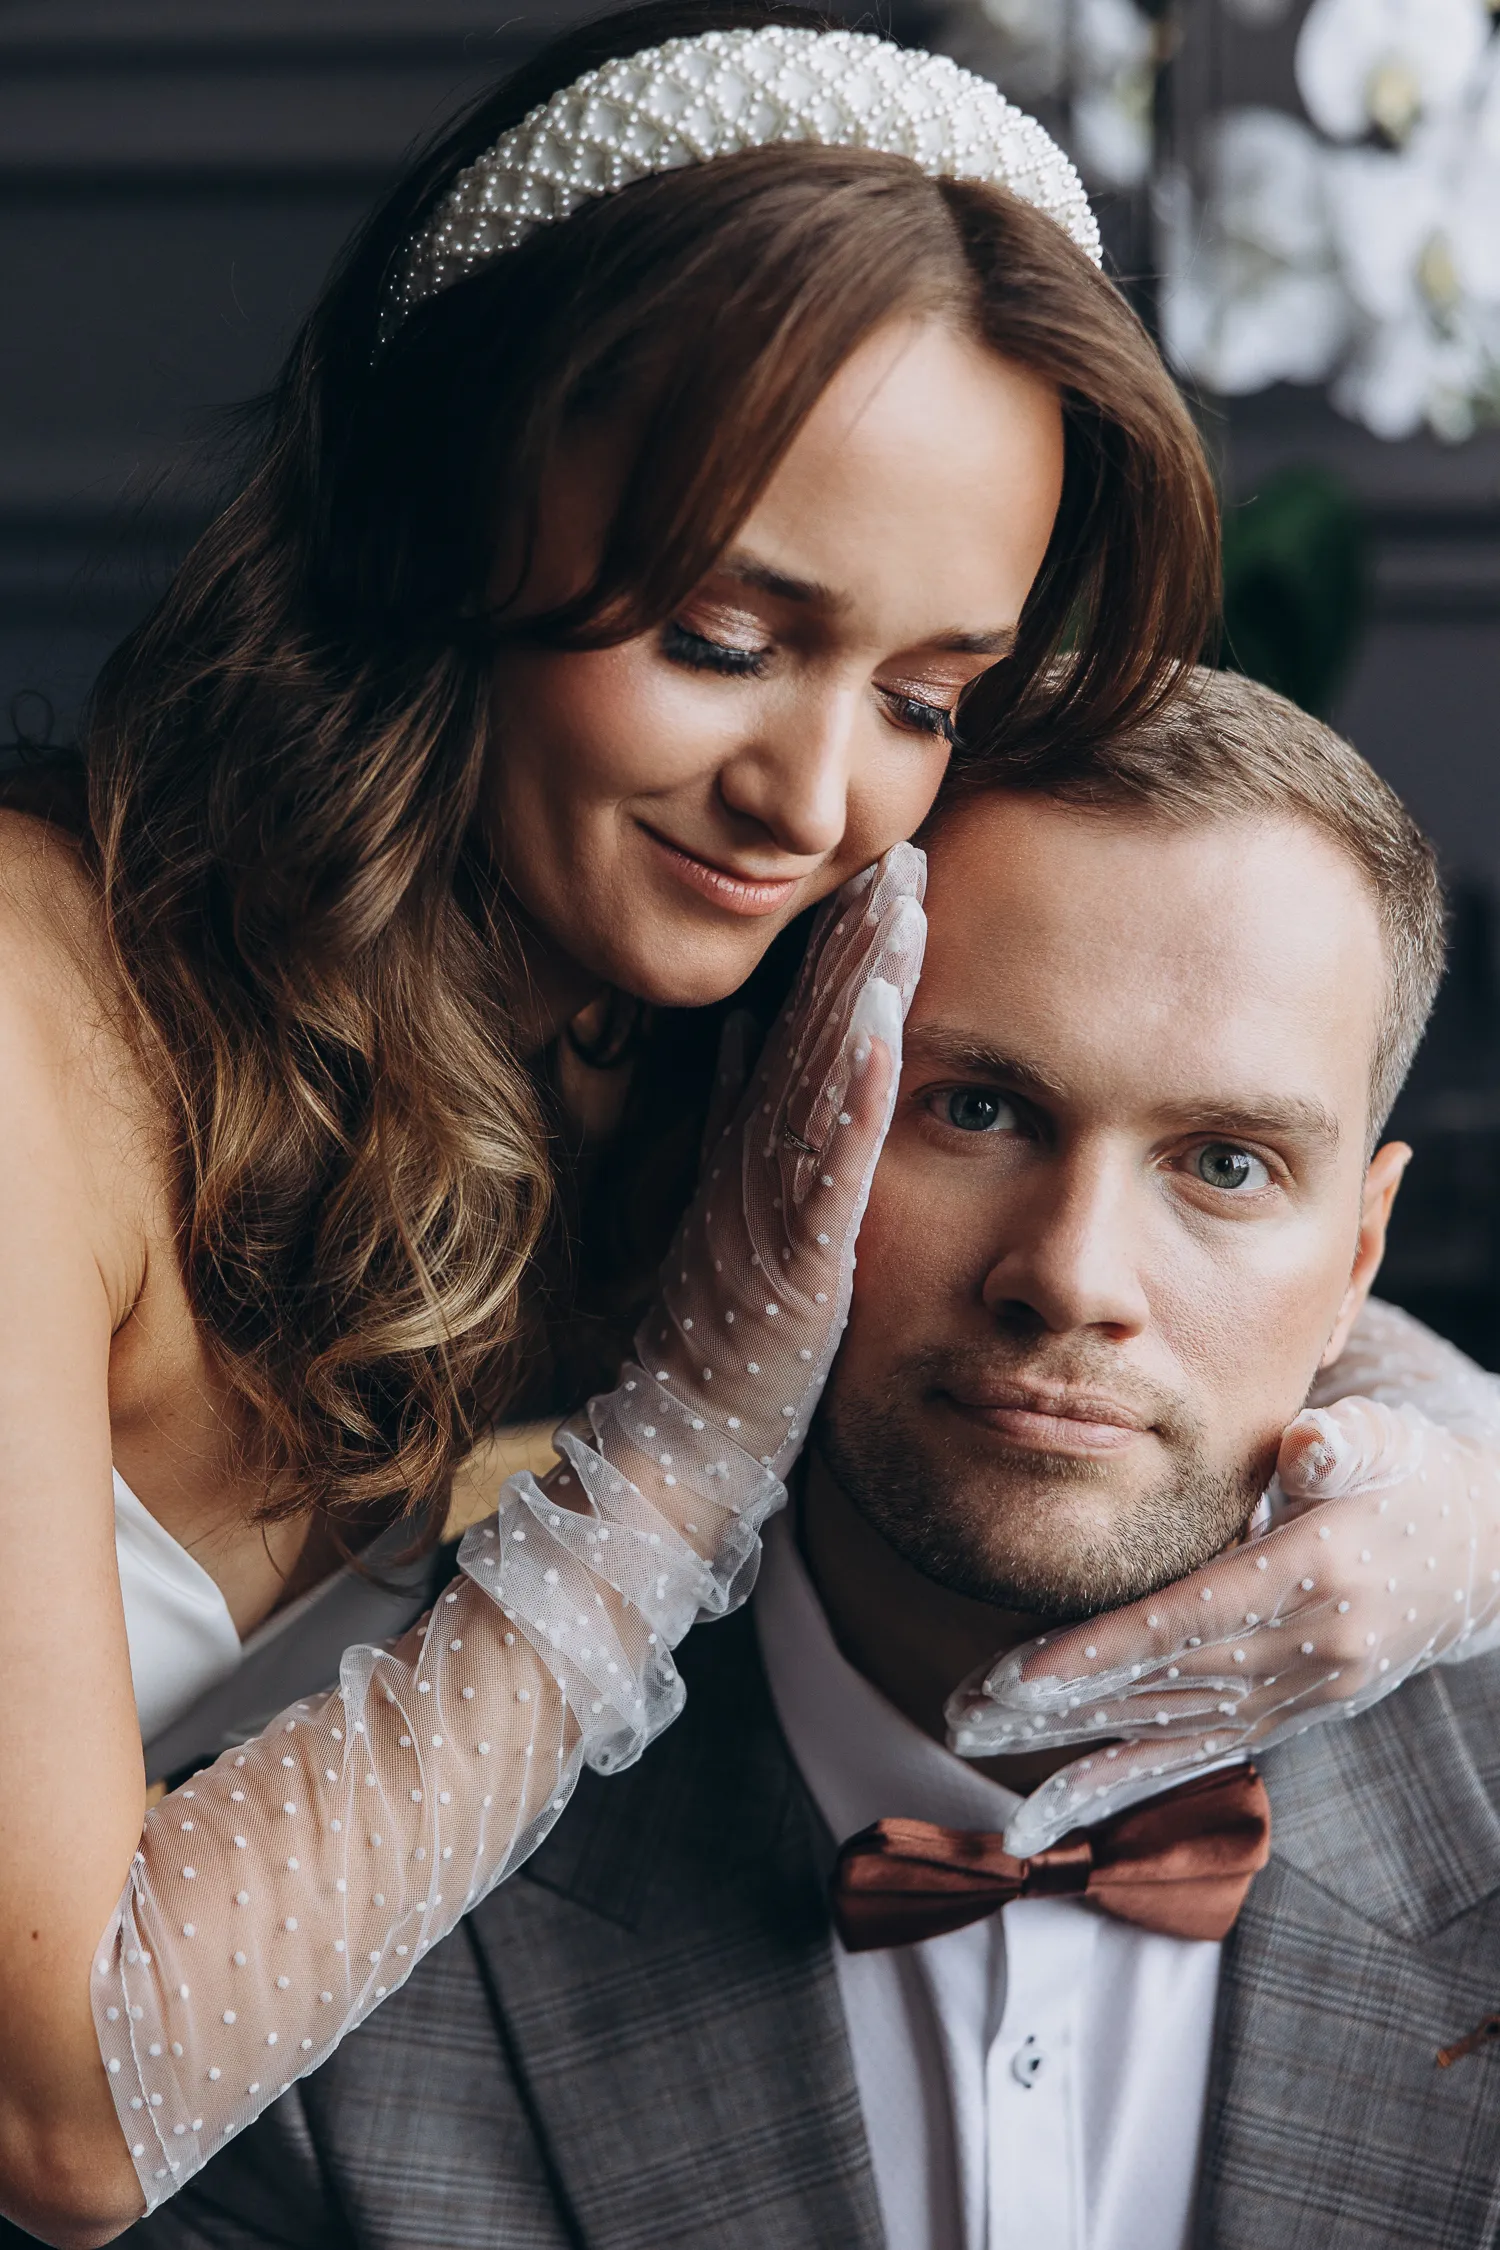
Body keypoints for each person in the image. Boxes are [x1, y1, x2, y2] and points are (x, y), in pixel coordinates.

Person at [0, 5, 1490, 2240]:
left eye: (922, 698)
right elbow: (69, 2120)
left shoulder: (691, 990)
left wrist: (1456, 1511)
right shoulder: (32, 1015)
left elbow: (1144, 1207)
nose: (815, 801)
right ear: (450, 507)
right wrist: (676, 1461)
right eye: (720, 634)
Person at [122, 668, 1500, 2250]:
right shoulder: (302, 1942)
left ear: (1359, 1257)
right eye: (975, 1106)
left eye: (1228, 1163)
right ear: (759, 1130)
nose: (1076, 1273)